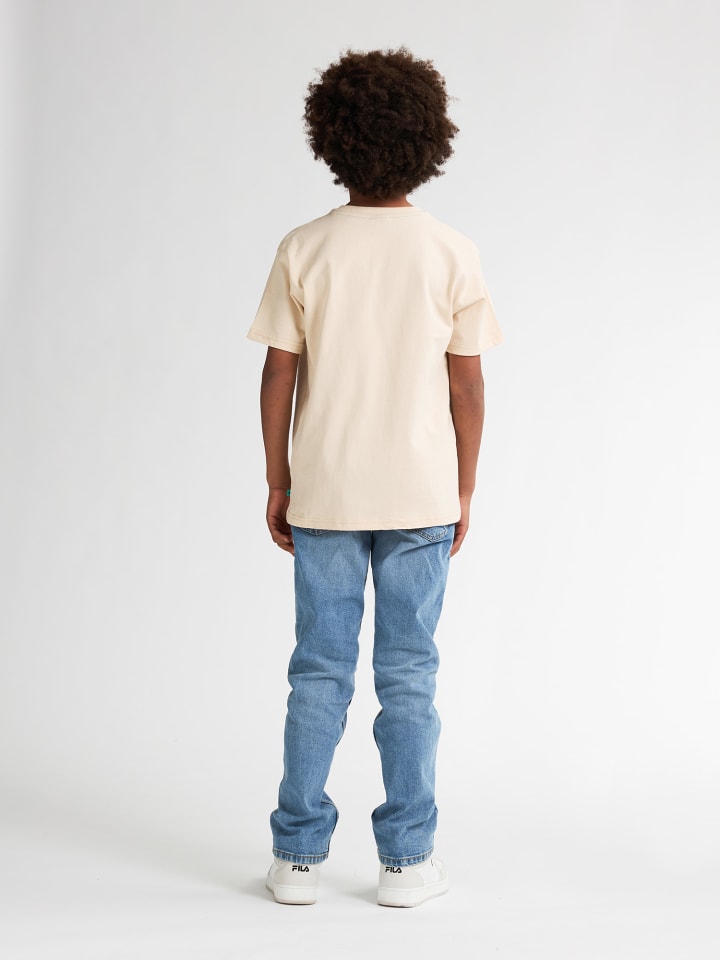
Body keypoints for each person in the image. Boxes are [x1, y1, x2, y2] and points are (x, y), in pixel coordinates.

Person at [247, 47, 502, 907]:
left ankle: (297, 859)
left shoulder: (305, 247)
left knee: (318, 672)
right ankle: (406, 862)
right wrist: (464, 487)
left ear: (332, 140)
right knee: (410, 677)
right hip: (421, 493)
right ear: (430, 141)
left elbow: (278, 374)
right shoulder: (451, 251)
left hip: (324, 491)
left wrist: (278, 479)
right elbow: (467, 388)